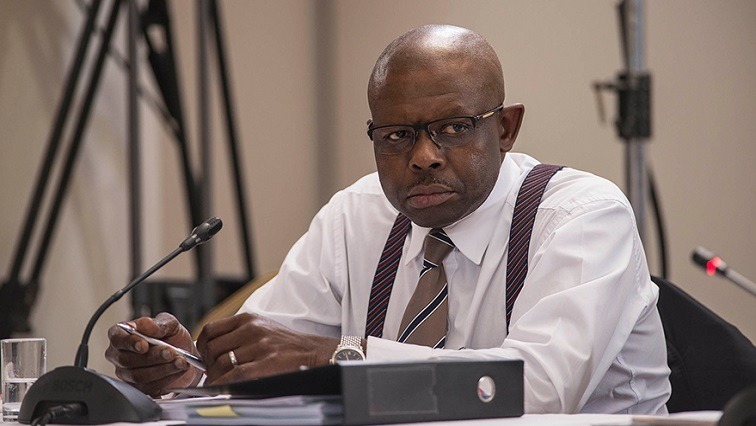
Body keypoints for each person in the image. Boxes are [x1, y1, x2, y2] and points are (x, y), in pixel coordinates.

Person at [106, 24, 671, 414]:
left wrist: (334, 354)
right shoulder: (357, 215)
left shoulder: (583, 217)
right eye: (397, 135)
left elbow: (538, 391)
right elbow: (263, 355)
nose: (423, 156)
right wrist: (191, 371)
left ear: (505, 128)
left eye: (453, 127)